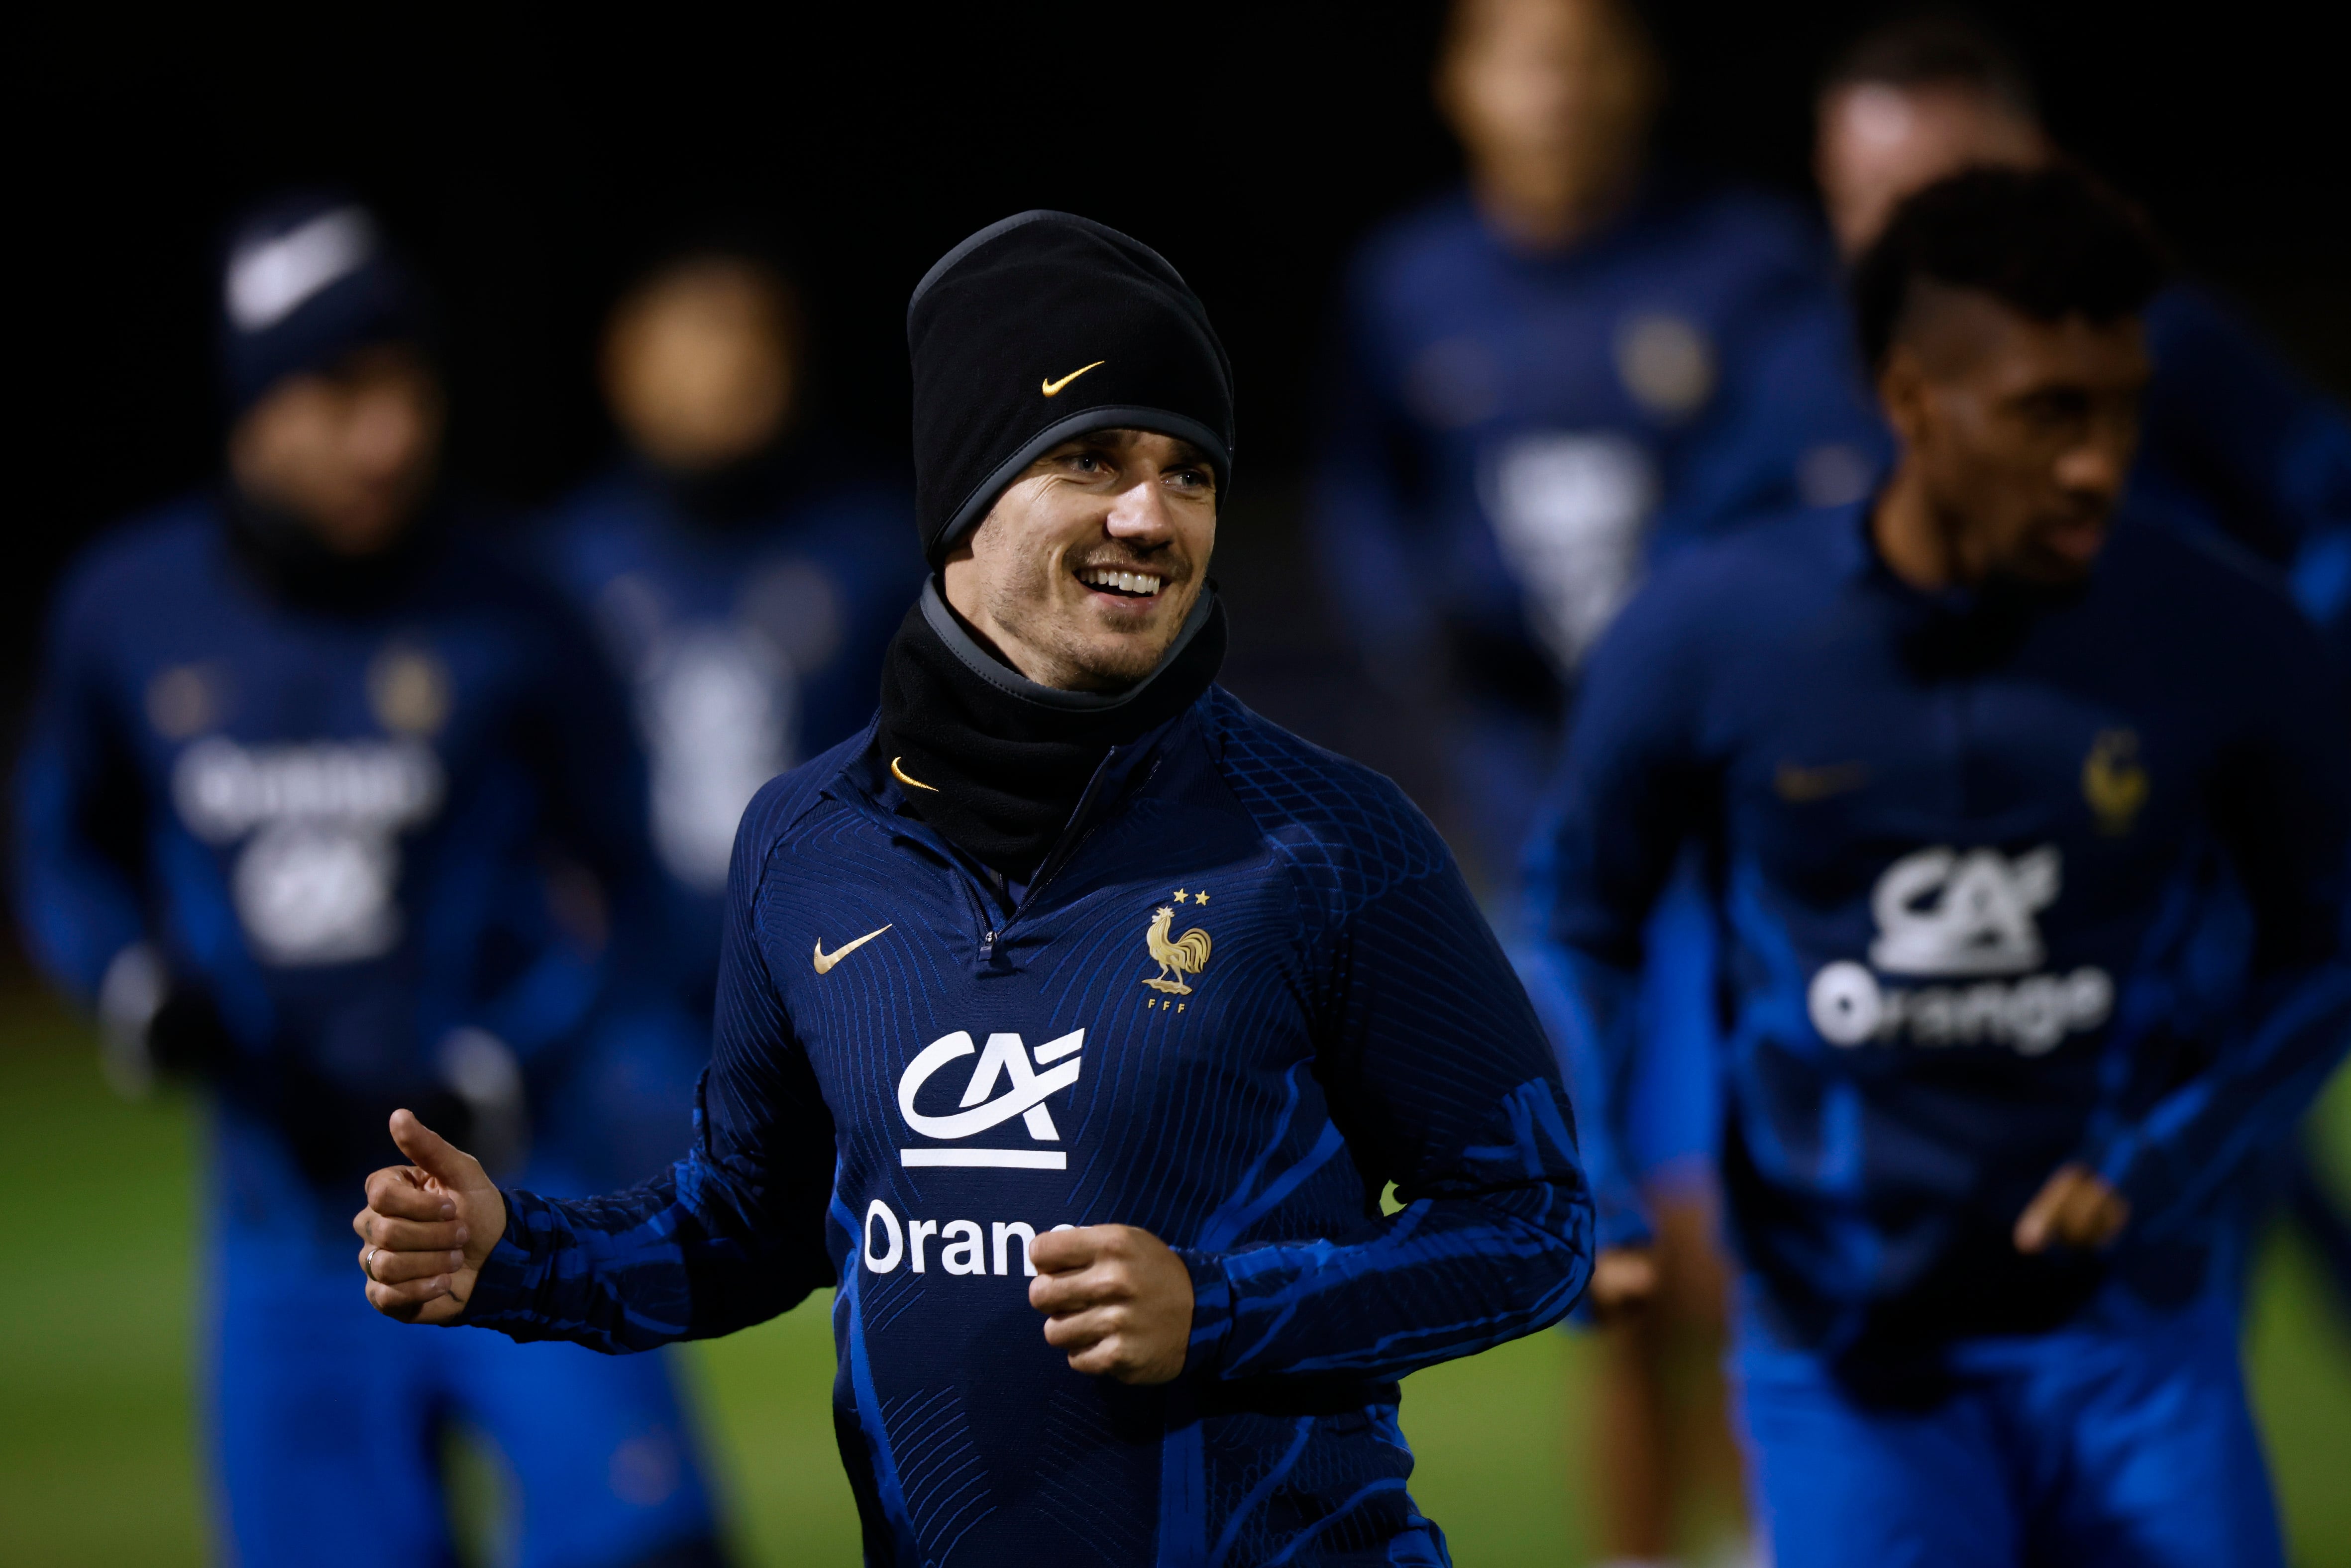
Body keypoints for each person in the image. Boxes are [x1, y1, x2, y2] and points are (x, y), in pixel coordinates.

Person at [351, 209, 1596, 1567]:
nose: (1151, 514)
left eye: (1190, 471)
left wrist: (1223, 1310)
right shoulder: (803, 843)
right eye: (1092, 459)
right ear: (965, 494)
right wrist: (514, 1255)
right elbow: (747, 1228)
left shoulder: (1327, 841)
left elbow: (1531, 1222)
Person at [1526, 164, 2351, 1567]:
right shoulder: (1707, 637)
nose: (2099, 459)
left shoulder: (2226, 637)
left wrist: (2166, 1156)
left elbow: (2323, 945)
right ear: (1909, 400)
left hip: (2137, 1345)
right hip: (1845, 1367)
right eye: (2048, 414)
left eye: (2121, 406)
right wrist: (1594, 1186)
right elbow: (1579, 917)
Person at [12, 192, 729, 1568]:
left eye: (407, 386)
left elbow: (629, 882)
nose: (388, 433)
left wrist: (522, 1057)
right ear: (252, 407)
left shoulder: (517, 605)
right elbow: (60, 843)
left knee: (651, 1545)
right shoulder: (125, 607)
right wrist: (125, 980)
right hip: (282, 1222)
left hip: (521, 1190)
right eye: (339, 392)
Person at [1311, 1, 1877, 1557]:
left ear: (1640, 69)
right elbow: (1367, 516)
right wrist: (1428, 651)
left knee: (1754, 1231)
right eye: (1518, 50)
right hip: (1536, 824)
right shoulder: (1404, 288)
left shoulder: (1748, 269)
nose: (1551, 89)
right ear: (1458, 81)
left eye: (1582, 50)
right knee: (1605, 1250)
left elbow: (1815, 493)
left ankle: (1790, 1534)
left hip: (1738, 824)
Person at [1814, 7, 2351, 1314]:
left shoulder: (2166, 344)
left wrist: (2255, 677)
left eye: (1939, 189)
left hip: (2172, 845)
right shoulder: (1810, 376)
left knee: (2180, 1148)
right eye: (1870, 196)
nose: (1905, 226)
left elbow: (2329, 505)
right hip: (1940, 860)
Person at [531, 241, 919, 1184]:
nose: (727, 374)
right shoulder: (566, 567)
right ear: (625, 369)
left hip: (842, 988)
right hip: (633, 1000)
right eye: (693, 345)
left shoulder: (873, 551)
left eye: (751, 343)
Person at [1814, 11, 2351, 660]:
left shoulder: (2150, 342)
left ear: (2034, 165)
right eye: (1873, 201)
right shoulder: (1794, 374)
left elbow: (2332, 502)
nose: (1912, 241)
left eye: (1952, 193)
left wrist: (2276, 652)